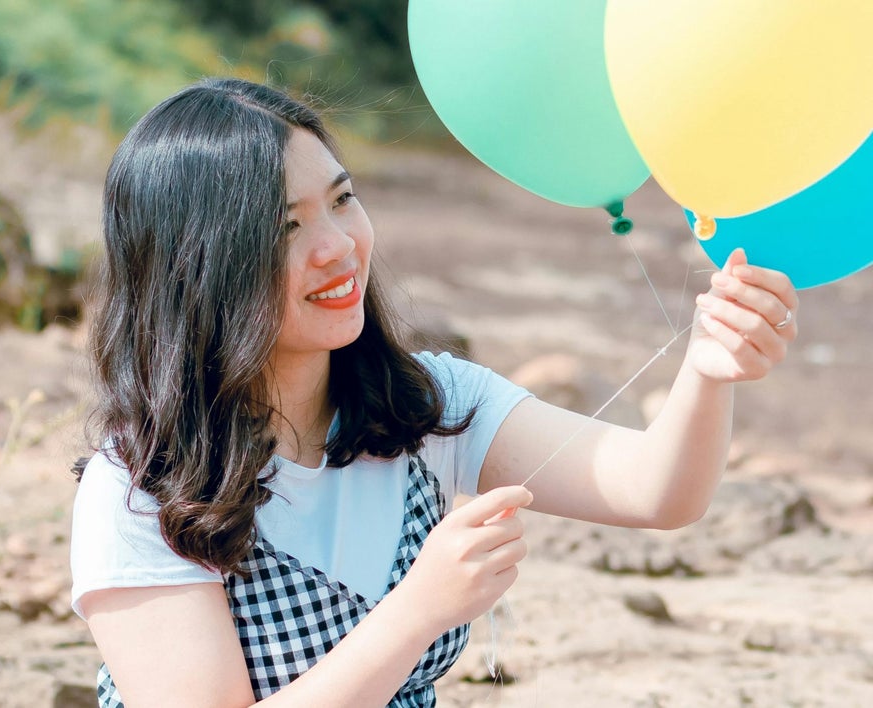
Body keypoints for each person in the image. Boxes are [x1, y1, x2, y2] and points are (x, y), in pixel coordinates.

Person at [69, 77, 799, 708]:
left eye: (342, 199)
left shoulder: (425, 403)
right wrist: (418, 609)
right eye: (285, 226)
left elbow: (655, 492)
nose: (338, 245)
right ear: (198, 266)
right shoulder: (138, 493)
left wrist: (708, 368)